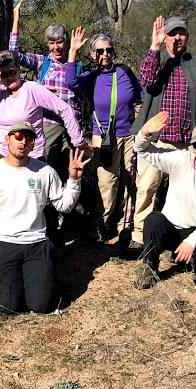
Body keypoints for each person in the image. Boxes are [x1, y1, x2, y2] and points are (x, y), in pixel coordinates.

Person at [0, 42, 88, 271]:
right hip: (0, 151)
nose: (9, 77)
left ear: (19, 70)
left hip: (33, 152)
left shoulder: (33, 89)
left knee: (42, 198)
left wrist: (78, 140)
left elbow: (64, 109)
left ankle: (50, 240)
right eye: (3, 74)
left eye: (12, 72)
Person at [0, 122, 90, 313]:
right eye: (17, 136)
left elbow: (64, 206)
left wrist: (74, 180)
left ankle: (39, 274)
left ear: (33, 144)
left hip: (36, 244)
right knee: (7, 307)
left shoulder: (45, 171)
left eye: (29, 138)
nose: (23, 141)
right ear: (7, 139)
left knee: (41, 306)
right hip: (2, 243)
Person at [130, 15, 196, 250]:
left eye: (182, 33)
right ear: (164, 35)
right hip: (157, 141)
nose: (177, 38)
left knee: (190, 194)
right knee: (147, 188)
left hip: (189, 144)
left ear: (187, 36)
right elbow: (147, 82)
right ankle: (139, 237)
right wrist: (155, 47)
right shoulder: (155, 60)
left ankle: (187, 237)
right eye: (172, 33)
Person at [133, 112, 196, 290]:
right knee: (153, 220)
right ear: (193, 147)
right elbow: (143, 150)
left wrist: (192, 241)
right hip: (171, 229)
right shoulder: (181, 159)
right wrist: (145, 133)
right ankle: (150, 268)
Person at [65, 27, 142, 242]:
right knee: (107, 182)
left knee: (130, 179)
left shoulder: (124, 72)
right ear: (92, 54)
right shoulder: (91, 77)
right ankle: (100, 223)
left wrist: (140, 106)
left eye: (108, 50)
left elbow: (140, 92)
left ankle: (124, 223)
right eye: (100, 51)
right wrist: (72, 52)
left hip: (129, 134)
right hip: (103, 137)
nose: (105, 54)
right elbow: (71, 82)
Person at [8, 1, 80, 188]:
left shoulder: (76, 65)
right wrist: (16, 20)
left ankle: (66, 214)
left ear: (66, 42)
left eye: (59, 42)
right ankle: (46, 213)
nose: (55, 47)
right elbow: (15, 53)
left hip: (73, 125)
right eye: (51, 43)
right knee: (46, 170)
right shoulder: (43, 62)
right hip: (49, 124)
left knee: (69, 172)